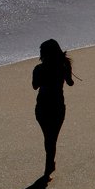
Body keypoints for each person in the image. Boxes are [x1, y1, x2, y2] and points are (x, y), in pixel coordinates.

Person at [32, 38, 74, 177]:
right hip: (57, 106)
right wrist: (66, 69)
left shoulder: (39, 69)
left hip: (42, 107)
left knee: (48, 137)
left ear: (43, 54)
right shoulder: (63, 66)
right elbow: (70, 83)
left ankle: (49, 165)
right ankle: (49, 164)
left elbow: (35, 86)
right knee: (52, 138)